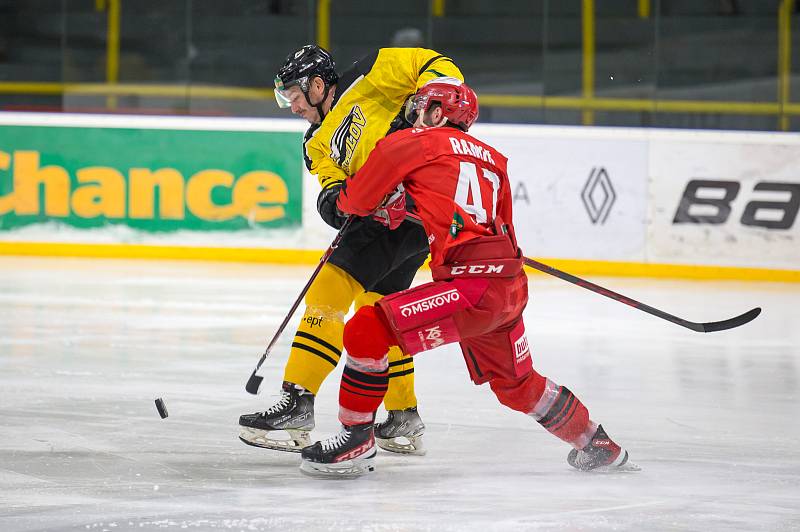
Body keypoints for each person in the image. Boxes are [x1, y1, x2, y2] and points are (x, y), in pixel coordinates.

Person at [299, 79, 636, 478]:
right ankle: (595, 442)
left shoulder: (409, 143)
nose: (412, 115)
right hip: (508, 286)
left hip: (468, 288)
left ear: (438, 112)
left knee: (365, 330)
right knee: (518, 385)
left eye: (421, 106)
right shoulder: (494, 158)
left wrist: (341, 203)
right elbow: (497, 224)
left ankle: (356, 439)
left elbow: (355, 199)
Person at [238, 45, 464, 456]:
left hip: (413, 216)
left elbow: (429, 64)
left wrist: (438, 94)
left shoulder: (370, 78)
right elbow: (331, 195)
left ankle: (298, 401)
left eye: (293, 96)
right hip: (387, 220)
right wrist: (346, 201)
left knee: (327, 294)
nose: (291, 107)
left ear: (318, 85)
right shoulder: (315, 142)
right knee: (381, 314)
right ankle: (403, 415)